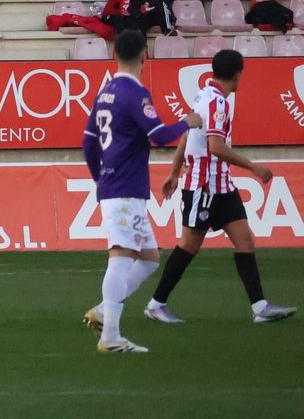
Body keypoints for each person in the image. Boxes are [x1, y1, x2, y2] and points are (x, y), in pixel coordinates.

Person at [145, 50, 295, 325]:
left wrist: (174, 171)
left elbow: (188, 133)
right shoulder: (217, 103)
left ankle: (259, 307)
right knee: (189, 245)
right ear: (238, 73)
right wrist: (254, 167)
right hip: (204, 187)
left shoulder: (203, 95)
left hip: (221, 184)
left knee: (245, 241)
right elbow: (215, 146)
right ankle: (156, 304)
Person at [81, 28, 203, 354]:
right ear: (145, 56)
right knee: (121, 256)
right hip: (125, 187)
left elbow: (88, 142)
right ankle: (110, 336)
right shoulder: (133, 93)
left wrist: (99, 177)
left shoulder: (105, 92)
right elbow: (160, 135)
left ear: (113, 55)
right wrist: (187, 122)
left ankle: (106, 311)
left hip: (116, 184)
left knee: (149, 258)